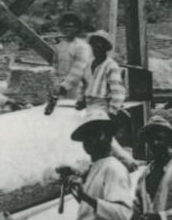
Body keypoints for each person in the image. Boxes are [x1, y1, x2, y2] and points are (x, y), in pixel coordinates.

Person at [46, 29, 138, 171]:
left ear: (106, 47)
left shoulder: (110, 66)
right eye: (94, 44)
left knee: (105, 139)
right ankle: (104, 164)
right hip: (90, 104)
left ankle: (129, 163)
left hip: (102, 105)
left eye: (100, 45)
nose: (96, 48)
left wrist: (113, 110)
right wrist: (81, 100)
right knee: (95, 138)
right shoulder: (88, 64)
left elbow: (118, 90)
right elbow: (82, 83)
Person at [51, 12, 92, 100]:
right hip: (60, 86)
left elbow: (78, 69)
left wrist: (65, 86)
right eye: (64, 26)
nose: (67, 29)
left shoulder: (82, 46)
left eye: (70, 26)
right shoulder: (59, 46)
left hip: (77, 87)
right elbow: (54, 66)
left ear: (77, 28)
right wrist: (56, 83)